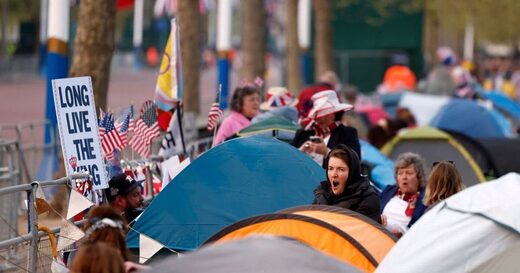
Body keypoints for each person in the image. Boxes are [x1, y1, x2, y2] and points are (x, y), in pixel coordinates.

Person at [312, 144, 380, 223]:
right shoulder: (322, 192)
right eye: (330, 168)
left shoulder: (368, 199)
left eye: (341, 169)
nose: (334, 174)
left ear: (352, 172)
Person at [292, 90, 361, 166]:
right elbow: (288, 160)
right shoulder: (303, 133)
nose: (322, 118)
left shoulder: (347, 133)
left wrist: (327, 152)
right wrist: (301, 151)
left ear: (335, 114)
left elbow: (355, 161)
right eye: (319, 115)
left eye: (326, 114)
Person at [380, 153, 427, 237]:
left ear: (419, 177)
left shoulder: (426, 200)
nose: (404, 177)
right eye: (400, 173)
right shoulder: (388, 192)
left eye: (409, 173)